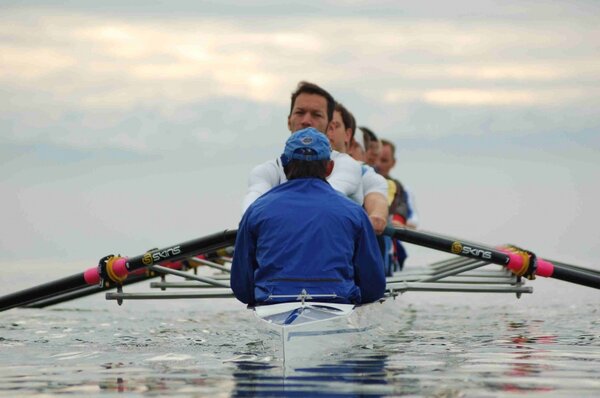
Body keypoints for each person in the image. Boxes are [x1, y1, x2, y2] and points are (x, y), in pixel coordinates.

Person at [231, 127, 386, 306]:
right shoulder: (354, 212)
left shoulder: (256, 210)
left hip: (272, 305)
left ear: (284, 164)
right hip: (337, 303)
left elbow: (241, 287)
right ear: (329, 167)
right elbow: (374, 287)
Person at [242, 82, 389, 235]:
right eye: (300, 112)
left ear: (330, 126)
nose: (306, 120)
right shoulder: (267, 171)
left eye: (316, 115)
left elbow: (325, 197)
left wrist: (376, 216)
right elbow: (250, 210)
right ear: (289, 120)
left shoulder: (350, 167)